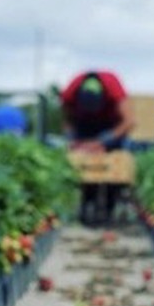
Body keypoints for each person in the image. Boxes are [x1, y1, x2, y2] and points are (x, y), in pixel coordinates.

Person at [59, 70, 136, 226]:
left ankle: (109, 210)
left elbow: (129, 122)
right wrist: (74, 140)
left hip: (111, 126)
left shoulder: (113, 86)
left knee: (113, 169)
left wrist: (103, 142)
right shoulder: (70, 92)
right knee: (86, 169)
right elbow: (67, 120)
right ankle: (88, 205)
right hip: (84, 127)